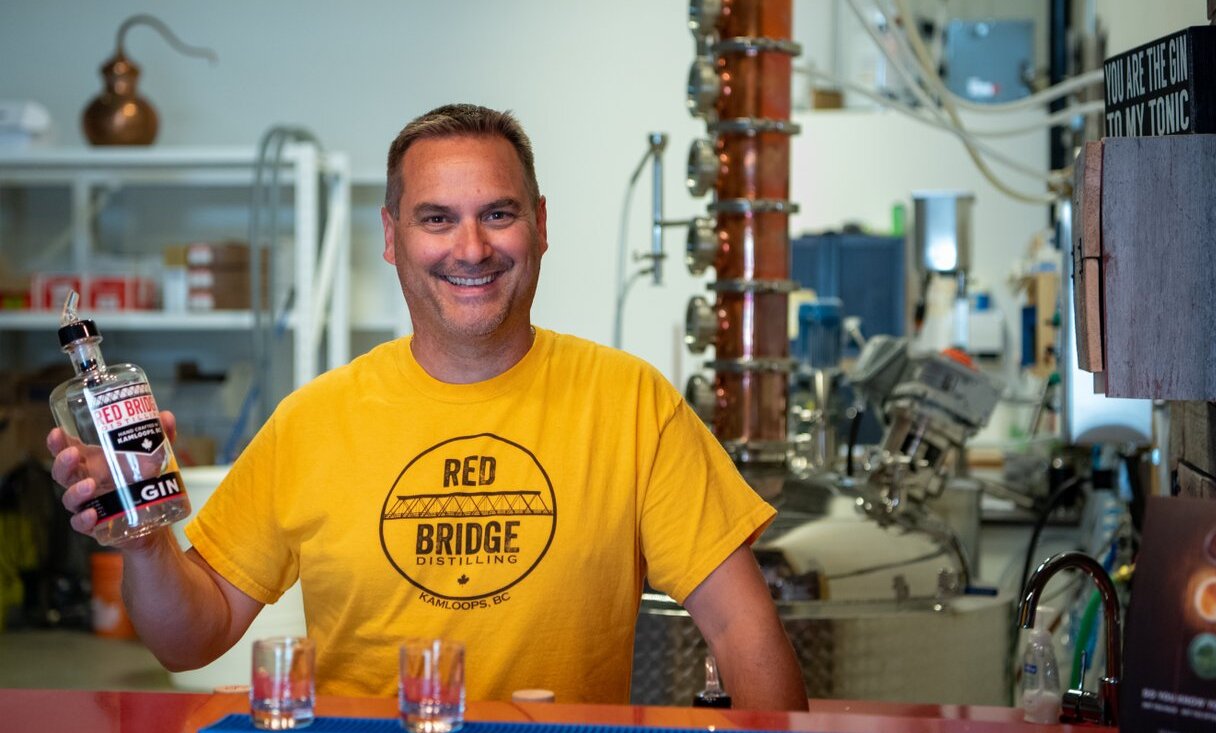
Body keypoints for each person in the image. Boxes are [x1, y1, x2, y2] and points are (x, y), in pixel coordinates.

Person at [48, 103, 808, 710]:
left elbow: (742, 626)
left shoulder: (631, 401)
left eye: (499, 214)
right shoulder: (315, 419)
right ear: (392, 235)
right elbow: (193, 637)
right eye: (436, 218)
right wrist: (145, 542)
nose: (470, 248)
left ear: (541, 224)